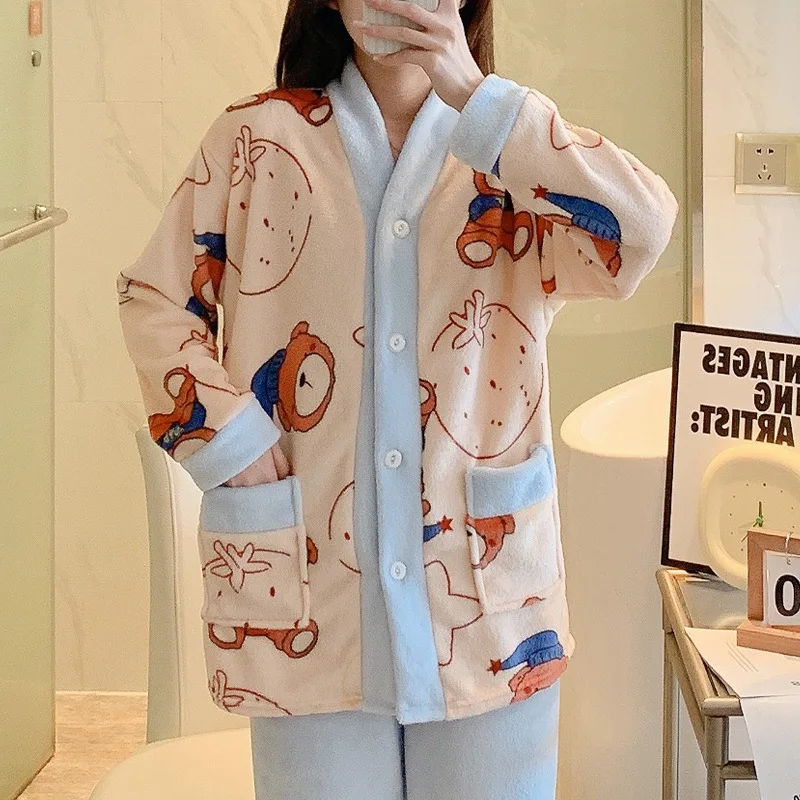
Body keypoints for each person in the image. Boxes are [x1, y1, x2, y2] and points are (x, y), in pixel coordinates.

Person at [116, 0, 679, 797]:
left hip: (484, 611)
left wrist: (474, 93)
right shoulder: (256, 140)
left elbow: (642, 227)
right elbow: (153, 299)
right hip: (312, 603)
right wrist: (230, 440)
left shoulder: (509, 153)